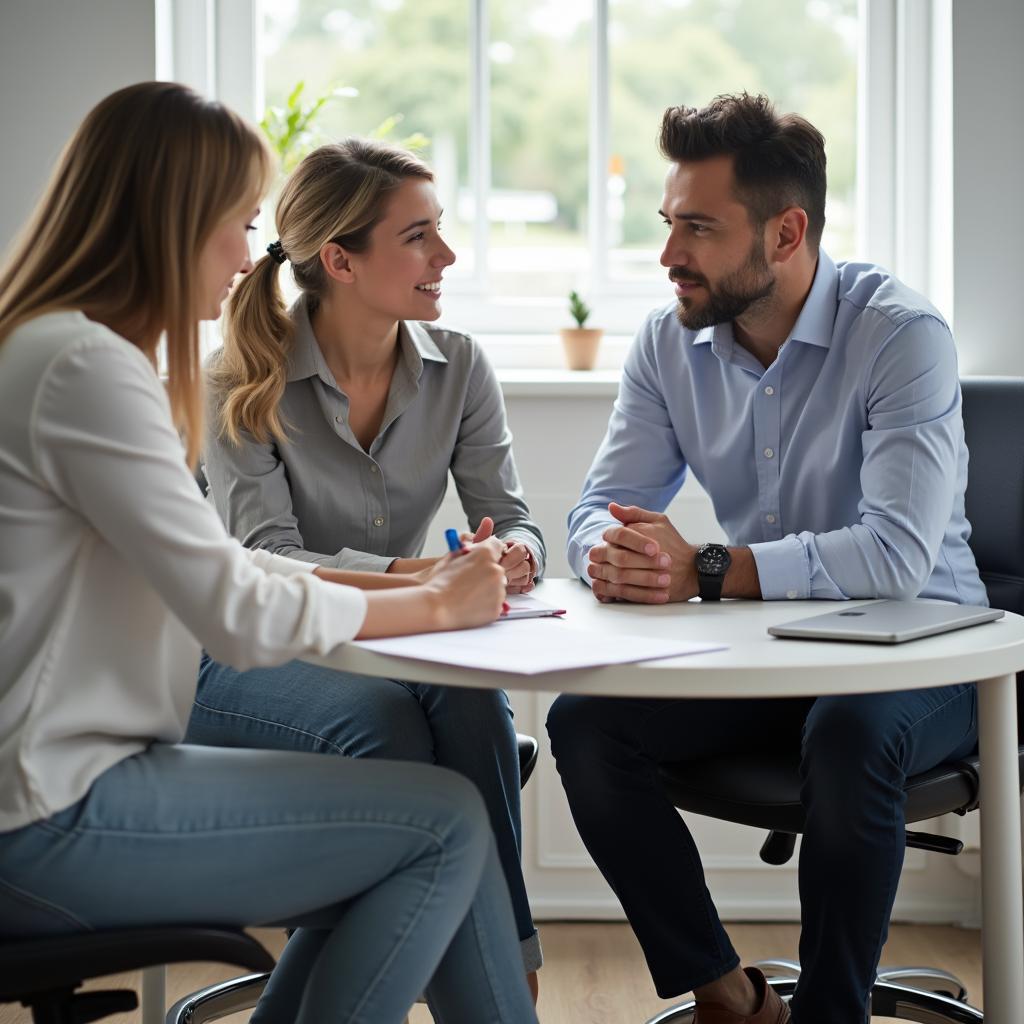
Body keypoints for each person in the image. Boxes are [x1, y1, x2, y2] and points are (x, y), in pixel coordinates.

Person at [0, 81, 538, 1024]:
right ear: (173, 220)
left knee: (402, 828)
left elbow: (231, 567)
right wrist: (429, 603)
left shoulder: (59, 353)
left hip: (67, 779)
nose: (251, 256)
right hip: (46, 808)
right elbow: (236, 610)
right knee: (442, 823)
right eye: (239, 223)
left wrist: (435, 595)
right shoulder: (85, 369)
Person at [547, 93, 984, 1024]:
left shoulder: (901, 336)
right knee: (589, 723)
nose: (669, 254)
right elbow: (593, 508)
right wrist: (615, 554)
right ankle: (727, 995)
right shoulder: (669, 345)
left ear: (786, 232)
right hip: (775, 658)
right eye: (669, 223)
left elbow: (898, 558)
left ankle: (834, 1012)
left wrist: (705, 569)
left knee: (849, 732)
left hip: (933, 652)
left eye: (698, 228)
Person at [187, 138, 545, 992]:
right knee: (394, 730)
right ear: (340, 260)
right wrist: (420, 579)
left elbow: (520, 519)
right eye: (418, 236)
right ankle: (505, 966)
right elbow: (264, 559)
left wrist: (514, 556)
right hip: (244, 656)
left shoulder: (459, 367)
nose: (447, 257)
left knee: (455, 698)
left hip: (392, 650)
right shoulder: (240, 378)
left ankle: (493, 960)